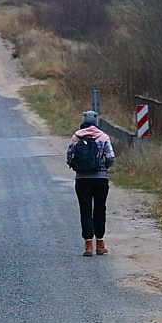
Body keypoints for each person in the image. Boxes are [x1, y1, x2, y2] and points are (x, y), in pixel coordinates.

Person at [66, 110, 115, 257]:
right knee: (100, 209)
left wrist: (79, 168)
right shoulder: (103, 137)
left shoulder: (76, 137)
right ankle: (100, 244)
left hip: (82, 179)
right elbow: (111, 157)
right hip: (100, 179)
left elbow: (69, 157)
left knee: (85, 210)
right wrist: (103, 167)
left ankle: (88, 246)